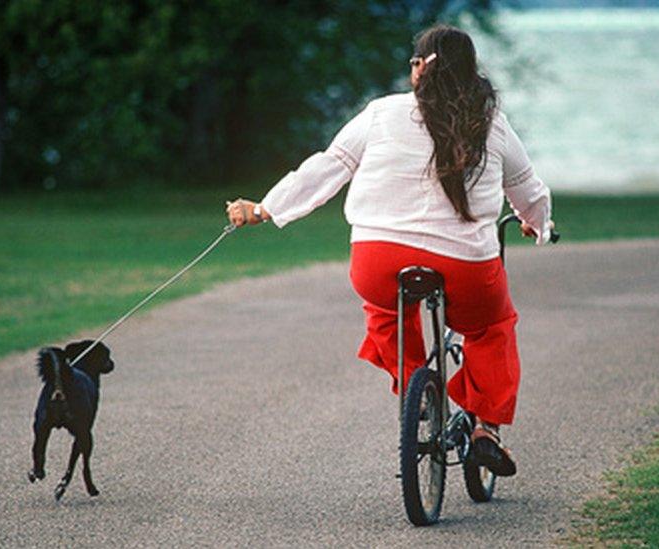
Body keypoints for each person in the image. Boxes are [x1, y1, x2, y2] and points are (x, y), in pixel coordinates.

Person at [225, 24, 552, 477]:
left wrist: (265, 208)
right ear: (469, 71)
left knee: (385, 310)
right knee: (492, 327)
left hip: (379, 257)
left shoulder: (381, 113)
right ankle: (486, 431)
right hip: (465, 265)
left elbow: (326, 168)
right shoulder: (491, 121)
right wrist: (539, 225)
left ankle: (416, 386)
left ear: (419, 68)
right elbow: (527, 189)